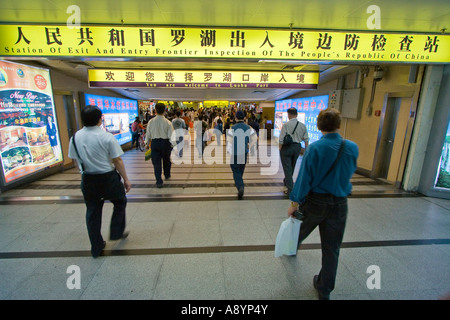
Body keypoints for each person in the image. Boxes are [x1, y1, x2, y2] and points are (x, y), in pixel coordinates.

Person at [287, 108, 359, 300]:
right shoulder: (352, 147)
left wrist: (294, 203)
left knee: (300, 229)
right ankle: (325, 288)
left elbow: (304, 179)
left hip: (316, 202)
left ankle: (291, 248)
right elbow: (349, 173)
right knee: (332, 249)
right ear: (339, 124)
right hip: (340, 205)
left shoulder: (315, 148)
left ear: (319, 126)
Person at [68, 105, 131, 258]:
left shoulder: (75, 138)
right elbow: (117, 160)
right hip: (108, 177)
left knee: (92, 211)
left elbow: (75, 159)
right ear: (100, 119)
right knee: (120, 201)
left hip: (89, 179)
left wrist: (82, 172)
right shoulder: (106, 136)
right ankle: (116, 232)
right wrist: (126, 179)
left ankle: (96, 246)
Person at [279, 108, 309, 196]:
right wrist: (306, 150)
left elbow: (281, 139)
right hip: (297, 147)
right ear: (297, 115)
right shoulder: (302, 125)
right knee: (292, 165)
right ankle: (287, 181)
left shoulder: (286, 125)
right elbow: (306, 139)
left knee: (287, 167)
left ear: (288, 115)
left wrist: (280, 149)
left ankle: (290, 189)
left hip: (287, 147)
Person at [227, 110, 256, 199]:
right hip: (244, 151)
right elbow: (254, 139)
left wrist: (229, 151)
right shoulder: (249, 128)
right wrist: (249, 146)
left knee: (235, 168)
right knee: (241, 167)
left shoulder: (232, 128)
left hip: (235, 152)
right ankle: (239, 181)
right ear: (244, 118)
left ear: (235, 118)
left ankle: (240, 186)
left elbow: (229, 141)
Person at [145, 102, 174, 188]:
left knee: (156, 162)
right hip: (165, 143)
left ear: (155, 110)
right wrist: (173, 145)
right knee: (166, 160)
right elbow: (171, 136)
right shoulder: (168, 122)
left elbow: (148, 134)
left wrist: (147, 143)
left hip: (155, 143)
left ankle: (159, 181)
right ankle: (167, 174)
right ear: (164, 110)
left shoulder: (151, 122)